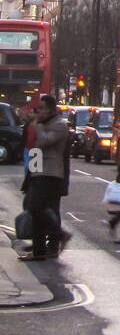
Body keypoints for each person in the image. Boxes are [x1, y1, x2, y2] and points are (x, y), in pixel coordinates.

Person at [20, 95, 72, 262]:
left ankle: (59, 234)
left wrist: (39, 126)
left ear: (50, 109)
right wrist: (30, 176)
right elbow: (34, 150)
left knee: (37, 207)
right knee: (34, 210)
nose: (38, 112)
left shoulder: (60, 125)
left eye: (41, 109)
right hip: (39, 173)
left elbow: (43, 142)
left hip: (50, 174)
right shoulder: (43, 124)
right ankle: (39, 251)